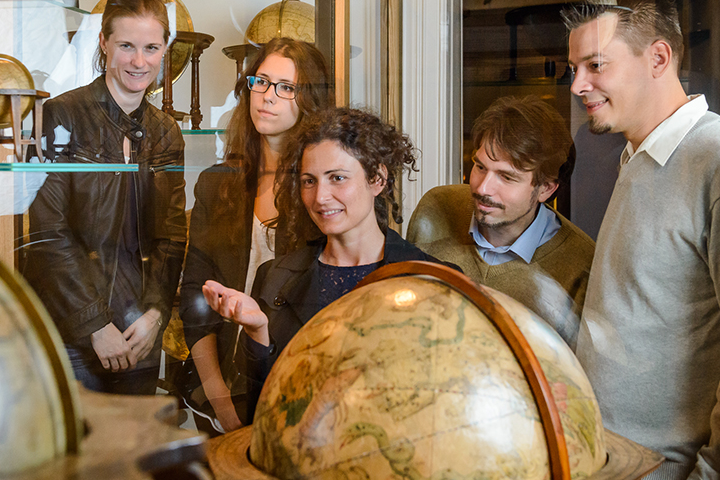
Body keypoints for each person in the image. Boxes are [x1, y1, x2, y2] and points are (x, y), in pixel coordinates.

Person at [201, 108, 460, 422]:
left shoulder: (433, 281)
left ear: (377, 178)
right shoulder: (273, 277)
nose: (320, 197)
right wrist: (258, 331)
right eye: (310, 181)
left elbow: (442, 414)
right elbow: (260, 415)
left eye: (337, 178)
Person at [564, 0, 720, 479]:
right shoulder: (634, 156)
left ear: (658, 58)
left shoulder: (711, 158)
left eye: (595, 65)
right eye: (574, 69)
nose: (576, 85)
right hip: (606, 461)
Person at [23, 0, 187, 395]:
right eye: (126, 46)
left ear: (164, 50)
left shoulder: (166, 131)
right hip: (74, 334)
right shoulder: (62, 114)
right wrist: (95, 325)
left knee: (133, 455)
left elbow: (172, 235)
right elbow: (48, 233)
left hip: (140, 333)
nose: (139, 61)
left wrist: (155, 314)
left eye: (151, 47)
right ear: (103, 43)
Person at [178, 38, 332, 434]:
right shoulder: (217, 184)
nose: (267, 96)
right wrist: (219, 398)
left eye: (286, 87)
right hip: (222, 386)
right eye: (260, 82)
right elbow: (196, 295)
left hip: (300, 390)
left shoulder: (324, 193)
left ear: (308, 100)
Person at [407, 95, 594, 349]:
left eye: (506, 177)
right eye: (480, 167)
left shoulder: (580, 267)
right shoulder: (435, 210)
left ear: (545, 189)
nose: (483, 188)